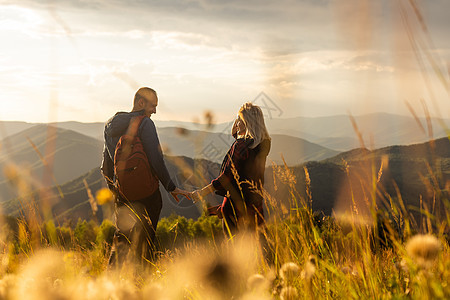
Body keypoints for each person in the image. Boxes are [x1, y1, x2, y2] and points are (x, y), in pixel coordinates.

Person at [101, 87, 190, 265]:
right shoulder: (144, 123)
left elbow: (106, 166)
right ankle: (143, 280)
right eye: (153, 106)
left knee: (121, 240)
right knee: (146, 242)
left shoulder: (110, 125)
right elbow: (156, 159)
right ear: (141, 103)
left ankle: (111, 279)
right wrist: (171, 186)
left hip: (123, 194)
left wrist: (115, 189)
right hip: (147, 194)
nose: (155, 111)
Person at [190, 102, 271, 236]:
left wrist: (202, 192)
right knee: (259, 246)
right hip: (255, 203)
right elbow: (237, 136)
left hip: (235, 205)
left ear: (247, 122)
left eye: (239, 120)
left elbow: (227, 176)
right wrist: (240, 126)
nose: (237, 123)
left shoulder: (241, 146)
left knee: (236, 248)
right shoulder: (264, 144)